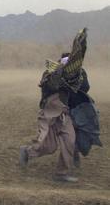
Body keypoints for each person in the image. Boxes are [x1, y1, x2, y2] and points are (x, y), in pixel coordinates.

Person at [19, 28, 88, 183]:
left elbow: (82, 83)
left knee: (70, 141)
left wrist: (80, 45)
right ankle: (27, 152)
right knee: (47, 146)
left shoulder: (73, 77)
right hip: (49, 115)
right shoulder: (51, 77)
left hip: (64, 115)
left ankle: (61, 174)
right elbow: (52, 87)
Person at [61, 53, 102, 168]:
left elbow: (86, 87)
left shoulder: (80, 72)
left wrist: (74, 84)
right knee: (69, 133)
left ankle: (76, 151)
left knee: (81, 131)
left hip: (80, 106)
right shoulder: (59, 75)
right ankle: (72, 154)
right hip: (67, 107)